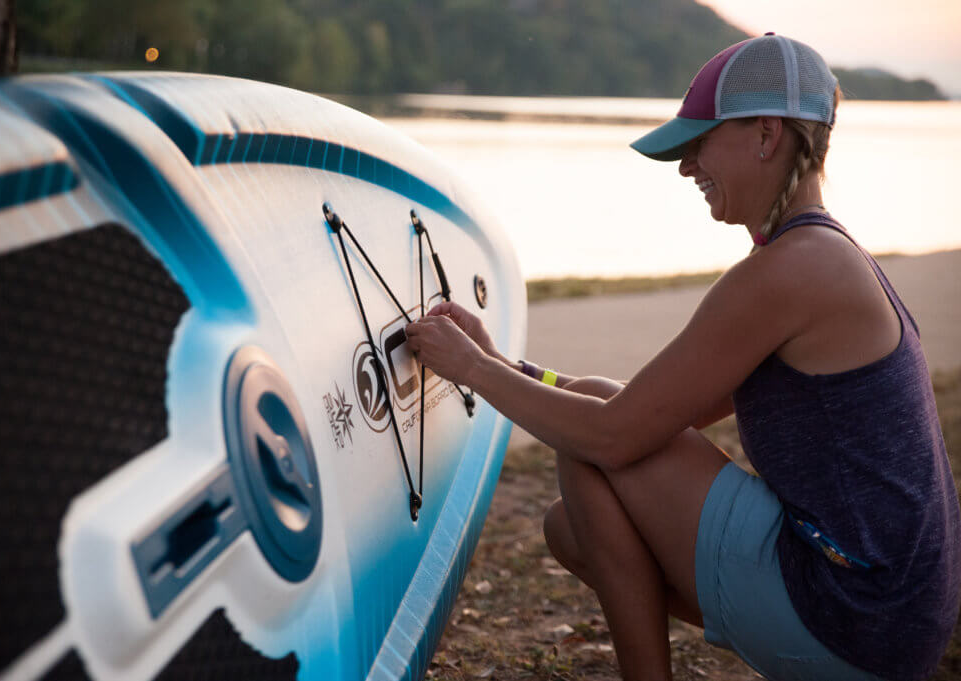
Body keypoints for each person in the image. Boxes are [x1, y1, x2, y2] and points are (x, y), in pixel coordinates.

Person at [405, 33, 960, 681]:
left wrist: (471, 369)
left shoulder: (791, 272)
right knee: (571, 522)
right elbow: (653, 409)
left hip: (855, 619)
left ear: (764, 134)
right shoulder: (823, 256)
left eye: (698, 143)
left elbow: (613, 436)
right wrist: (503, 361)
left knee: (590, 443)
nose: (685, 167)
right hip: (891, 619)